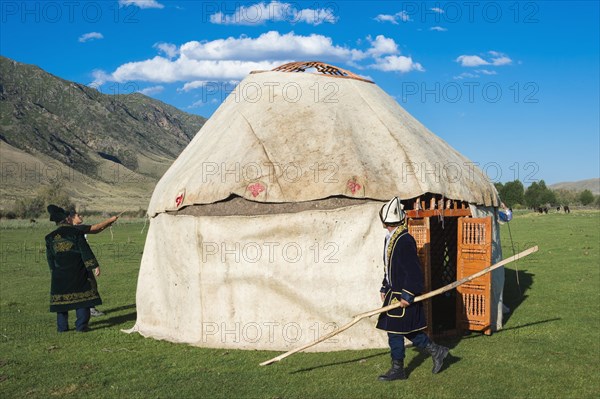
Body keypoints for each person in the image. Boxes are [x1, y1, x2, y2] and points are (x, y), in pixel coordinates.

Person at [376, 197, 449, 381]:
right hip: (394, 293)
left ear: (385, 223)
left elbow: (414, 272)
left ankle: (398, 369)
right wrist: (385, 286)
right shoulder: (390, 239)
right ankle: (437, 350)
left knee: (395, 333)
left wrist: (407, 295)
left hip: (403, 295)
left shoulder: (405, 240)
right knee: (407, 330)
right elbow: (389, 267)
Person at [45, 204, 105, 332]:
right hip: (78, 271)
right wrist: (94, 266)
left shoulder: (49, 238)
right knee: (83, 300)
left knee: (61, 303)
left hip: (59, 273)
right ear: (67, 219)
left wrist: (53, 271)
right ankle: (81, 326)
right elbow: (85, 251)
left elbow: (50, 258)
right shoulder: (76, 233)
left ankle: (62, 328)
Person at [71, 211, 118, 317]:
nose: (81, 216)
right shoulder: (78, 228)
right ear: (72, 218)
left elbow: (96, 230)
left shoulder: (74, 229)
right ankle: (90, 309)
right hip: (81, 261)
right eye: (78, 215)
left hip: (77, 260)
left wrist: (107, 224)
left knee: (88, 283)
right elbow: (96, 228)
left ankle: (85, 308)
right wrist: (110, 220)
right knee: (90, 283)